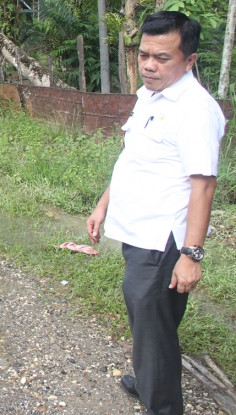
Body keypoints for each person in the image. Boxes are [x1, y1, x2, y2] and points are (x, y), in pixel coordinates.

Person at [86, 11, 225, 415]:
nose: (149, 65)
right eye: (145, 54)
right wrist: (103, 204)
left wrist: (190, 255)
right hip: (138, 230)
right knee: (146, 318)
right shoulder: (153, 94)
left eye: (162, 57)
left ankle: (162, 403)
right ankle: (149, 379)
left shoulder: (195, 111)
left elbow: (203, 186)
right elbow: (136, 157)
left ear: (190, 60)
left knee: (154, 327)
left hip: (164, 241)